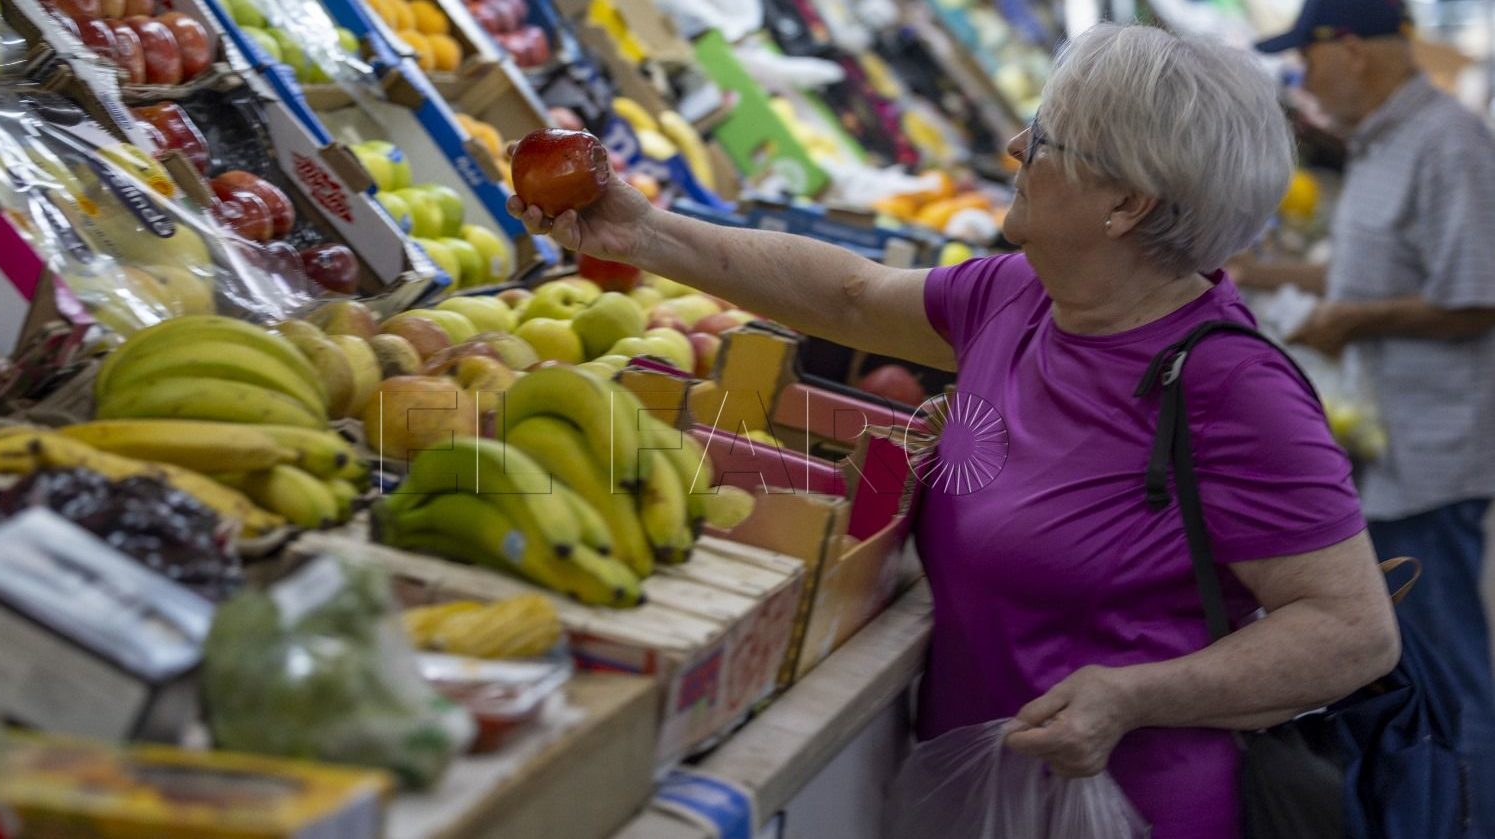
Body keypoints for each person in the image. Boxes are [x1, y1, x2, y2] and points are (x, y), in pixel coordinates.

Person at [510, 24, 1400, 839]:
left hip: (1125, 807)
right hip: (980, 784)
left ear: (1125, 202)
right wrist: (642, 230)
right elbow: (846, 295)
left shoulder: (1230, 385)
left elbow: (1352, 629)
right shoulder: (1020, 298)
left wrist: (1132, 696)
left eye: (1046, 142)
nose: (1015, 150)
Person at [1236, 1, 1495, 831]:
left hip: (1429, 458)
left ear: (1344, 48)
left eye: (1304, 61)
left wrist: (1346, 322)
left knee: (1447, 676)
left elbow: (1477, 298)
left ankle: (1468, 815)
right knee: (1403, 667)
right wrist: (1264, 270)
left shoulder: (1446, 144)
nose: (1303, 84)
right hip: (1382, 452)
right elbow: (1364, 273)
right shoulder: (1384, 143)